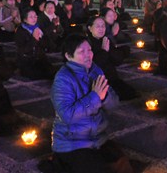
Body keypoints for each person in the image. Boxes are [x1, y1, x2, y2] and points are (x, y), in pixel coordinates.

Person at [51, 34, 133, 173]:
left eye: (89, 50)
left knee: (123, 165)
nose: (88, 55)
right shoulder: (63, 79)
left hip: (98, 138)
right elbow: (67, 115)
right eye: (81, 52)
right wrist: (95, 97)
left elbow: (114, 104)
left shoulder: (96, 70)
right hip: (72, 142)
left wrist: (104, 97)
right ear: (68, 56)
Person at [86, 17, 138, 101]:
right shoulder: (86, 44)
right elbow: (93, 66)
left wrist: (110, 51)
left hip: (111, 77)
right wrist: (104, 51)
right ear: (90, 28)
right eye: (98, 26)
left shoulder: (106, 40)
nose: (101, 29)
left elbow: (117, 61)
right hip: (96, 80)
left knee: (131, 93)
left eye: (103, 26)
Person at [15, 9, 58, 80]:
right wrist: (34, 39)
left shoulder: (38, 28)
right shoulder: (20, 31)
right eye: (31, 17)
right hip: (27, 60)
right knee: (38, 75)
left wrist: (53, 31)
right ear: (25, 19)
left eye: (35, 16)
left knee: (52, 72)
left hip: (39, 58)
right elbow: (23, 50)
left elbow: (47, 44)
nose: (34, 19)